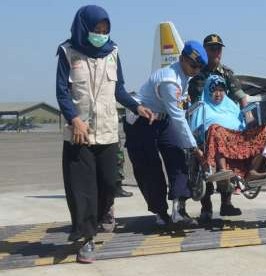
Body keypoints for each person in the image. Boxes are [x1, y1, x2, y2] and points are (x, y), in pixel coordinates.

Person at [56, 5, 154, 263]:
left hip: (108, 131)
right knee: (83, 189)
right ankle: (87, 239)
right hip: (81, 132)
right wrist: (74, 119)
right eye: (96, 30)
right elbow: (61, 92)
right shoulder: (68, 52)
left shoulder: (112, 52)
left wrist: (137, 106)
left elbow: (119, 89)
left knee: (110, 182)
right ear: (84, 27)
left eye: (104, 30)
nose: (100, 34)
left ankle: (96, 219)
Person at [124, 41, 207, 227]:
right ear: (181, 59)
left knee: (177, 156)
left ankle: (179, 210)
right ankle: (161, 213)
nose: (196, 70)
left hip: (163, 118)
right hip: (142, 121)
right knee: (150, 168)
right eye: (193, 65)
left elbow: (178, 108)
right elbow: (178, 117)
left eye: (199, 67)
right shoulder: (169, 80)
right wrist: (194, 148)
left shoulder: (186, 75)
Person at [190, 75, 266, 222]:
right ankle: (207, 206)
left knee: (263, 130)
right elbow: (195, 130)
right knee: (216, 129)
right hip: (214, 140)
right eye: (214, 90)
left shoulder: (231, 106)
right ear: (208, 91)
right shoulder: (202, 106)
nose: (218, 93)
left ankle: (252, 171)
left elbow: (243, 125)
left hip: (235, 140)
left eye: (221, 90)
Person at [188, 34, 247, 219]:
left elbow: (240, 96)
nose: (216, 52)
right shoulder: (196, 73)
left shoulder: (227, 73)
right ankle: (206, 207)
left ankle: (226, 203)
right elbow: (192, 100)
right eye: (212, 48)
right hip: (204, 120)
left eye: (219, 49)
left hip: (225, 119)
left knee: (231, 148)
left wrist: (248, 112)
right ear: (204, 50)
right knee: (201, 160)